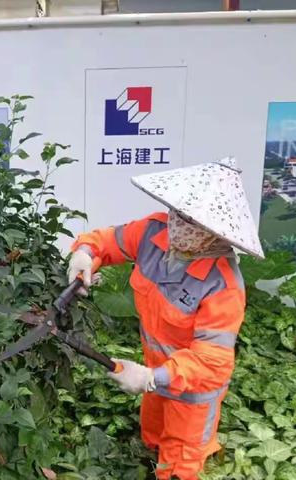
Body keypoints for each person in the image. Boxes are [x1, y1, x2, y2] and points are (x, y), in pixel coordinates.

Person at [67, 157, 264, 480]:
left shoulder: (222, 285)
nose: (178, 225)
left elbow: (210, 362)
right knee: (152, 438)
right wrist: (85, 253)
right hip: (154, 373)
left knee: (177, 467)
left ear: (214, 232)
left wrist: (150, 377)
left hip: (192, 393)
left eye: (191, 221)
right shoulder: (153, 233)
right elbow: (109, 240)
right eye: (177, 213)